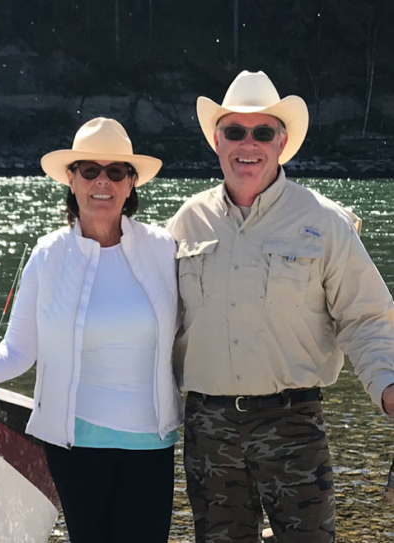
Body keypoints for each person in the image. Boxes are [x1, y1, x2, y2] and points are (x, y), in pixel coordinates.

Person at [0, 117, 183, 543]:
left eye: (115, 172)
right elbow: (18, 351)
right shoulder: (48, 254)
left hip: (151, 444)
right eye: (90, 170)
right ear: (71, 180)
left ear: (131, 184)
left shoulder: (164, 248)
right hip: (74, 445)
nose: (102, 182)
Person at [168, 70, 394, 542]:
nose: (247, 143)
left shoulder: (325, 223)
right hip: (207, 427)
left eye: (262, 132)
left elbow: (367, 318)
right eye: (234, 131)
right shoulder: (185, 223)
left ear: (281, 141)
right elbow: (153, 324)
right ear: (217, 139)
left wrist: (389, 388)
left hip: (292, 423)